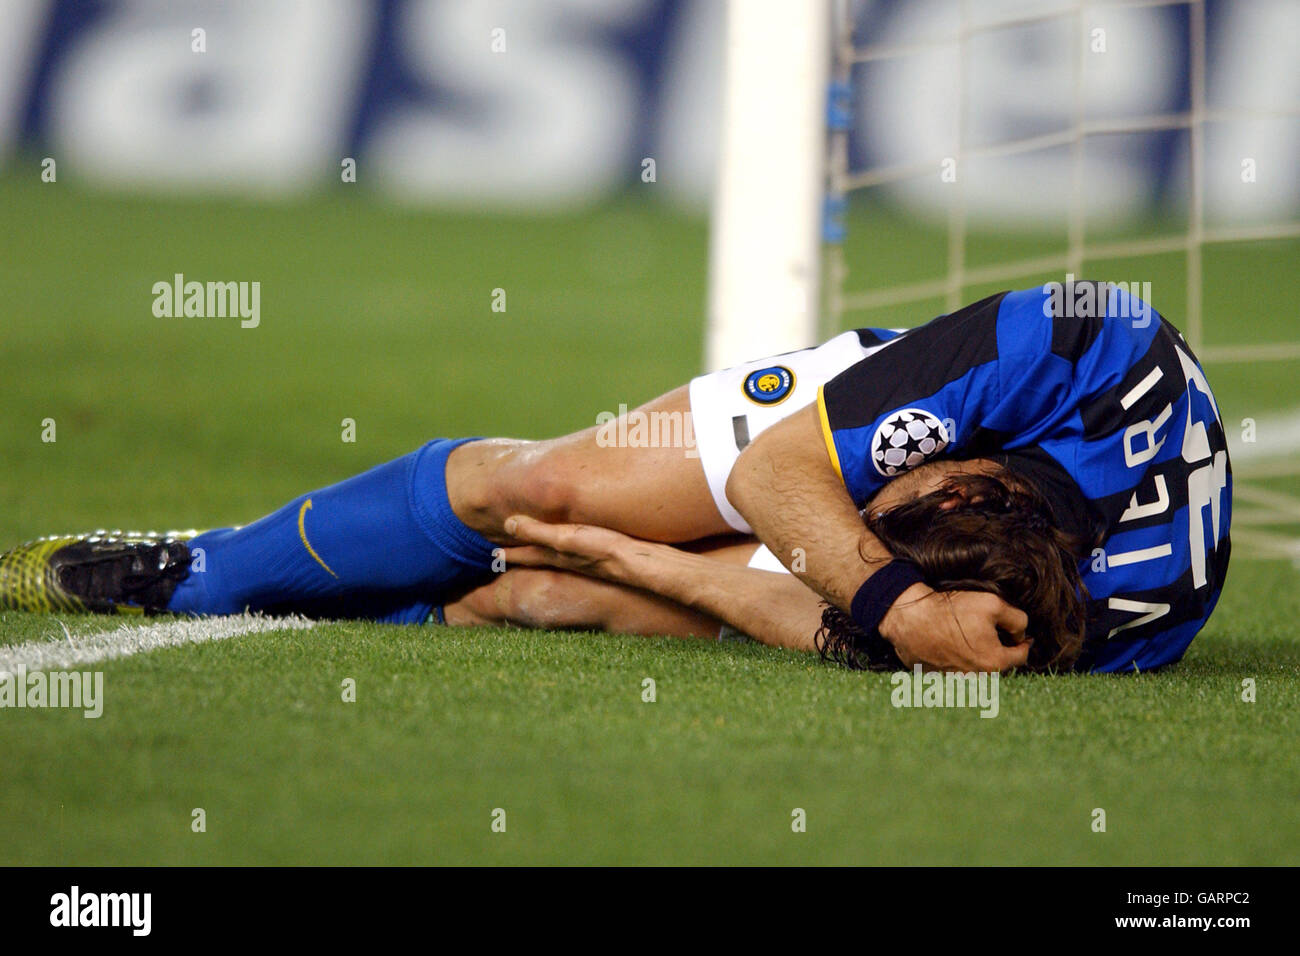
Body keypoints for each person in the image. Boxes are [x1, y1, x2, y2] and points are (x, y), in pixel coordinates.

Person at [0, 281, 1231, 673]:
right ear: (956, 491)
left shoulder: (1090, 624)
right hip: (910, 403)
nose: (868, 533)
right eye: (889, 529)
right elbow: (779, 473)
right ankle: (201, 567)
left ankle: (410, 603)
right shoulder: (1077, 337)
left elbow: (809, 607)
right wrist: (895, 595)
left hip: (940, 573)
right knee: (537, 499)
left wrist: (631, 571)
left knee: (544, 592)